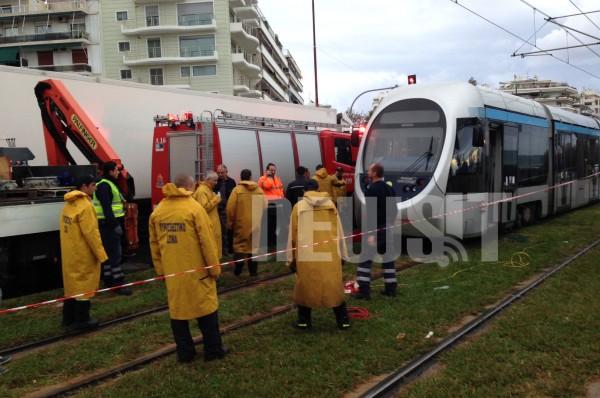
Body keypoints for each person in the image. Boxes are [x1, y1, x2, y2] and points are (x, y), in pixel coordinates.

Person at [149, 174, 226, 362]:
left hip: (173, 274)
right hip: (198, 271)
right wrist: (214, 269)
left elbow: (154, 245)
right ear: (189, 187)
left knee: (178, 314)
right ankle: (213, 350)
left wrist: (161, 271)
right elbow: (207, 243)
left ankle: (185, 352)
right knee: (206, 311)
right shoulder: (194, 209)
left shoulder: (158, 212)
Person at [288, 179, 350, 330]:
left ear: (304, 191)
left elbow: (293, 234)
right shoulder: (331, 205)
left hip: (307, 254)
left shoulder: (298, 207)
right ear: (318, 189)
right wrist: (342, 253)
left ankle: (304, 322)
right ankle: (343, 321)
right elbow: (339, 231)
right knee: (334, 286)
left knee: (305, 287)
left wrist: (291, 259)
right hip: (329, 253)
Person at [60, 174, 109, 330]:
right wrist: (102, 255)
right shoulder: (86, 206)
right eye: (93, 185)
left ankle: (68, 319)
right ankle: (82, 320)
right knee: (83, 287)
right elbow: (92, 234)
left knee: (71, 287)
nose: (95, 188)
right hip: (83, 254)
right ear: (84, 187)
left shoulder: (69, 204)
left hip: (70, 253)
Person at [355, 163, 398, 299]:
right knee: (388, 259)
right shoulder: (389, 189)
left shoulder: (371, 189)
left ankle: (364, 291)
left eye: (369, 170)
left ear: (374, 173)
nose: (368, 172)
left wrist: (371, 234)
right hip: (388, 228)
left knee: (365, 260)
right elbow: (394, 210)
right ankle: (391, 289)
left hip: (376, 229)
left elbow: (372, 213)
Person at [92, 161, 132, 295]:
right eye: (116, 170)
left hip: (107, 224)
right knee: (115, 255)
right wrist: (115, 225)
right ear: (110, 171)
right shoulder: (104, 185)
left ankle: (108, 280)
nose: (118, 172)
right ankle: (118, 284)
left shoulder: (106, 183)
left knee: (108, 255)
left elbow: (126, 197)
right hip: (109, 225)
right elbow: (106, 207)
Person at [226, 169, 265, 276]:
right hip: (256, 224)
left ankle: (238, 269)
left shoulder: (237, 190)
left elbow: (230, 208)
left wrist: (230, 222)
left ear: (241, 177)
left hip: (241, 224)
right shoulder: (259, 190)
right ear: (251, 177)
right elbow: (264, 206)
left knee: (240, 246)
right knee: (254, 247)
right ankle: (253, 272)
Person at [193, 171, 222, 258]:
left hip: (212, 224)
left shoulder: (208, 189)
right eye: (214, 181)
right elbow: (204, 208)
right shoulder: (202, 191)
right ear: (208, 180)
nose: (216, 183)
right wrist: (216, 199)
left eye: (216, 181)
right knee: (211, 249)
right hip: (209, 225)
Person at [258, 163, 284, 251]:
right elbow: (267, 186)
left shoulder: (277, 178)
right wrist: (268, 177)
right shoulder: (262, 179)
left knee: (277, 225)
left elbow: (281, 189)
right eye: (271, 170)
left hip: (278, 204)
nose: (273, 172)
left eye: (274, 170)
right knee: (268, 225)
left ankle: (275, 242)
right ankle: (268, 243)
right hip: (268, 205)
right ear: (267, 170)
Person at [215, 164, 236, 255]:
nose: (220, 174)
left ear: (226, 172)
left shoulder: (231, 182)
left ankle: (231, 249)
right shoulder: (215, 182)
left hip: (229, 209)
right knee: (222, 231)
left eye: (222, 173)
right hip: (219, 210)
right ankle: (224, 250)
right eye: (218, 173)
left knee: (230, 230)